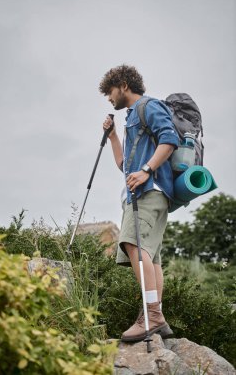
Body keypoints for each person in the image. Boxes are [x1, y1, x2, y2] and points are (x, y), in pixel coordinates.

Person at [99, 64, 179, 342]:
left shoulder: (149, 106)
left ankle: (151, 315)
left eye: (109, 92)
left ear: (122, 84)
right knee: (151, 256)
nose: (109, 99)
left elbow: (170, 140)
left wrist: (146, 169)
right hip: (146, 192)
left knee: (134, 245)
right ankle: (158, 316)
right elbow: (124, 165)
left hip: (149, 191)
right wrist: (112, 137)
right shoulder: (133, 117)